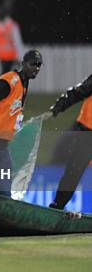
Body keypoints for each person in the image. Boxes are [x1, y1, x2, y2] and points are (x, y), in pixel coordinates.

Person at [0, 50, 43, 196]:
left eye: (39, 65)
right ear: (23, 64)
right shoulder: (10, 81)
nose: (36, 68)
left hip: (1, 143)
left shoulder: (24, 84)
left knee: (5, 190)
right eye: (33, 64)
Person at [48, 74, 92, 210]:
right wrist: (59, 106)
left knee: (73, 172)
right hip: (87, 131)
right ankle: (57, 205)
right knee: (74, 171)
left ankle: (58, 205)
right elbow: (78, 92)